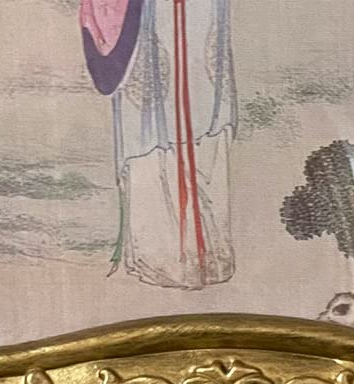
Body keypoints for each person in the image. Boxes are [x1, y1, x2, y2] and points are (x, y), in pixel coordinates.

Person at [81, 0, 238, 290]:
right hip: (147, 20)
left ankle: (209, 254)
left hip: (198, 15)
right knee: (152, 132)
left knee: (202, 120)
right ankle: (162, 256)